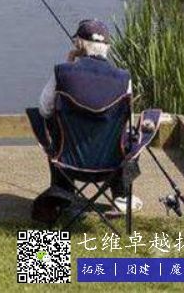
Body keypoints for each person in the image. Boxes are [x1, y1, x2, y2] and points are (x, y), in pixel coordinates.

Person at [37, 19, 141, 212]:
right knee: (134, 135)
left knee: (44, 120)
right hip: (112, 167)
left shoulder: (62, 72)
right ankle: (122, 194)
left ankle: (62, 194)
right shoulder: (124, 78)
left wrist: (69, 62)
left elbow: (44, 109)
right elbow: (129, 120)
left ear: (79, 45)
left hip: (68, 164)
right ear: (108, 47)